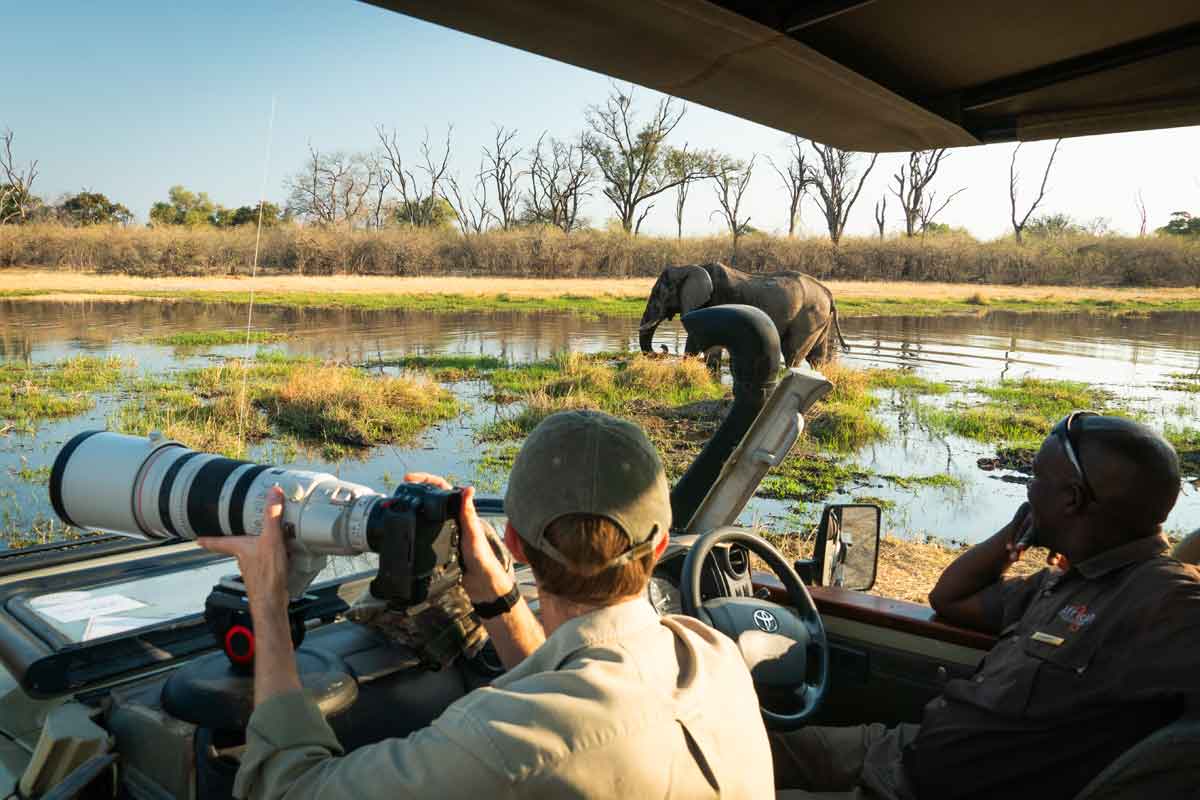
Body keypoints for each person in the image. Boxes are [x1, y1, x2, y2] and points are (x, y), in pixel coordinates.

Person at [199, 409, 774, 799]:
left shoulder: (506, 733)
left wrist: (269, 604)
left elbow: (289, 789)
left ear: (517, 544)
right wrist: (496, 598)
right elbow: (581, 678)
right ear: (661, 544)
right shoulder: (712, 654)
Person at [773, 413, 1200, 799]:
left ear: (1071, 500)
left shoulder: (1162, 597)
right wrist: (1018, 530)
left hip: (922, 789)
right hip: (901, 751)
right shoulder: (1064, 581)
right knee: (743, 742)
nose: (1028, 490)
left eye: (1036, 479)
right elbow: (949, 599)